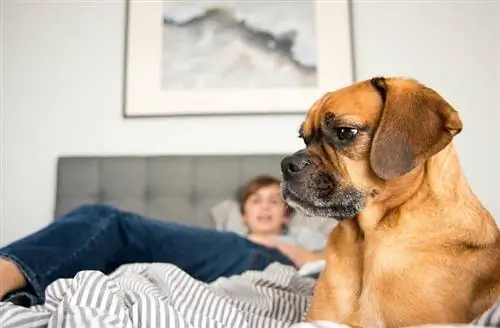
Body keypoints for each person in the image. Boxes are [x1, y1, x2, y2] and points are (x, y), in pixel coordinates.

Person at [0, 175, 326, 307]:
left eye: (274, 201)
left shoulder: (303, 236)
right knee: (105, 237)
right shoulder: (224, 239)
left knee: (107, 222)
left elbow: (323, 263)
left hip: (271, 261)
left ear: (287, 215)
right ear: (242, 214)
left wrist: (282, 246)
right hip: (233, 252)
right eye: (256, 201)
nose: (265, 206)